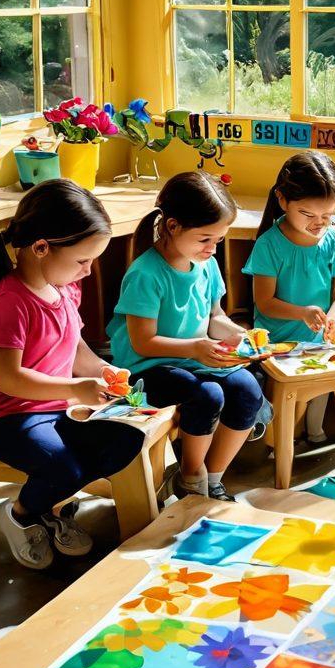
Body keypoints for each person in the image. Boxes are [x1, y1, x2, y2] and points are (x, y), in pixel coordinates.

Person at [0, 180, 143, 570]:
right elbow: (8, 380)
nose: (88, 270)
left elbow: (75, 350)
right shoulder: (8, 303)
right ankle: (21, 515)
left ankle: (47, 504)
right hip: (3, 417)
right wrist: (76, 389)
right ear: (41, 247)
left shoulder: (63, 290)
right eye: (82, 261)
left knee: (126, 440)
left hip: (51, 411)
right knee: (65, 467)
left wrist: (104, 370)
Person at [108, 171, 270, 501]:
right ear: (172, 226)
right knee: (208, 395)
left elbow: (214, 317)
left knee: (248, 389)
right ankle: (190, 476)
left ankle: (213, 477)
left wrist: (243, 337)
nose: (212, 249)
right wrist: (196, 349)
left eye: (218, 240)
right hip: (145, 368)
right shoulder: (146, 273)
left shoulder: (205, 263)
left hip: (192, 360)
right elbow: (142, 343)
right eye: (204, 239)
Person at [244, 151, 335, 445]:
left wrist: (334, 316)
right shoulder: (270, 244)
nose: (318, 223)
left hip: (319, 337)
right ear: (282, 200)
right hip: (277, 340)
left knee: (320, 377)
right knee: (288, 408)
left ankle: (315, 432)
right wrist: (302, 313)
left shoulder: (334, 239)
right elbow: (264, 302)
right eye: (308, 215)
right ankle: (281, 440)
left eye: (327, 216)